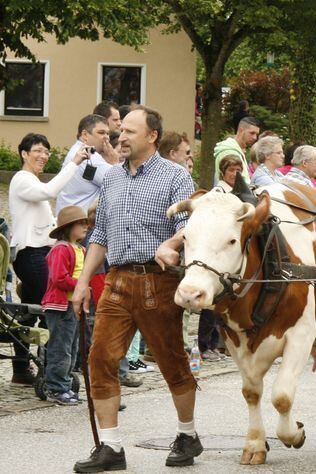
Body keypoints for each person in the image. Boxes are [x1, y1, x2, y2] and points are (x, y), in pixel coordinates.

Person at [71, 106, 200, 472]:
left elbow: (193, 224)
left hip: (157, 281)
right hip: (116, 282)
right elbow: (100, 234)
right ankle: (111, 447)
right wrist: (82, 283)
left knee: (171, 361)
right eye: (120, 131)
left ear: (152, 136)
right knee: (100, 360)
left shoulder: (175, 177)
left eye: (129, 131)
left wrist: (172, 242)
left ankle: (187, 434)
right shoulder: (111, 178)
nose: (120, 137)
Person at [8, 133, 89, 385]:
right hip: (30, 254)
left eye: (46, 152)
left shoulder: (31, 181)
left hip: (40, 253)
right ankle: (52, 371)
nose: (43, 156)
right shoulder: (22, 179)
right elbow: (50, 190)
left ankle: (21, 370)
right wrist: (74, 163)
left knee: (29, 313)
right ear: (24, 153)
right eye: (38, 151)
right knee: (53, 310)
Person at [42, 206, 91, 406]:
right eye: (81, 223)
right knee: (61, 348)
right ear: (69, 227)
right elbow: (58, 278)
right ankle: (56, 387)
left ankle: (65, 385)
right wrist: (81, 286)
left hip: (74, 306)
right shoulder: (61, 249)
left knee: (71, 347)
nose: (85, 227)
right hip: (61, 306)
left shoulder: (81, 249)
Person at [56, 114, 118, 213]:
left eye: (108, 133)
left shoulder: (78, 150)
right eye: (101, 133)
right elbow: (120, 183)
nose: (107, 138)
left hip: (72, 219)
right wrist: (115, 162)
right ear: (85, 135)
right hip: (79, 222)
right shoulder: (89, 156)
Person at [213, 117, 260, 184]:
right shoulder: (228, 151)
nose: (255, 137)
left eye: (256, 134)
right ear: (241, 130)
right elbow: (237, 183)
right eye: (252, 133)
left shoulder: (236, 150)